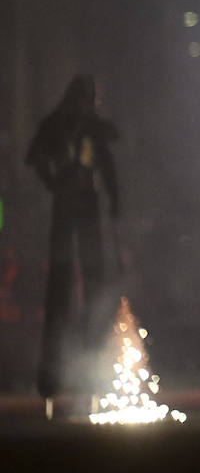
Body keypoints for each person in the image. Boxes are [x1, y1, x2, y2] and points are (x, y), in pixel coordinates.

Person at [25, 74, 119, 403]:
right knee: (61, 288)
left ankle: (90, 366)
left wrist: (114, 199)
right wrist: (54, 183)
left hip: (84, 205)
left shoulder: (90, 126)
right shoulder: (60, 124)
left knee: (92, 285)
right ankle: (53, 375)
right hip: (68, 205)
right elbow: (36, 156)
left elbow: (106, 162)